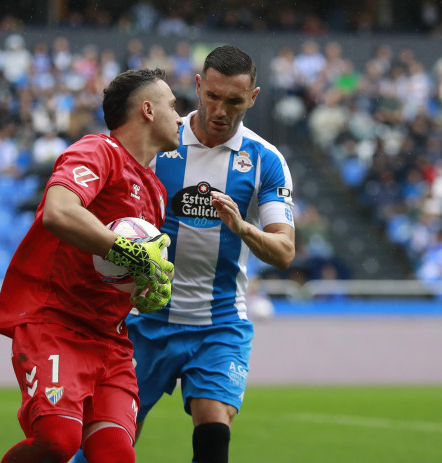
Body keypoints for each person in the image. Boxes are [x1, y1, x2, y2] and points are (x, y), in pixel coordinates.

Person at [74, 45, 296, 463]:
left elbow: (285, 252)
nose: (220, 110)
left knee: (214, 431)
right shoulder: (159, 143)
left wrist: (243, 227)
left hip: (220, 321)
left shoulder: (266, 161)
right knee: (106, 446)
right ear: (198, 86)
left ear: (253, 98)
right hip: (145, 318)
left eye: (234, 101)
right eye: (212, 96)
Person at [0, 68, 182, 463]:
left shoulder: (157, 193)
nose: (181, 118)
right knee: (58, 441)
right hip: (56, 322)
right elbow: (59, 213)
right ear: (147, 110)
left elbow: (122, 273)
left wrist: (144, 289)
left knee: (116, 454)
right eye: (173, 106)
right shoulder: (97, 151)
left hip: (109, 339)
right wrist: (127, 253)